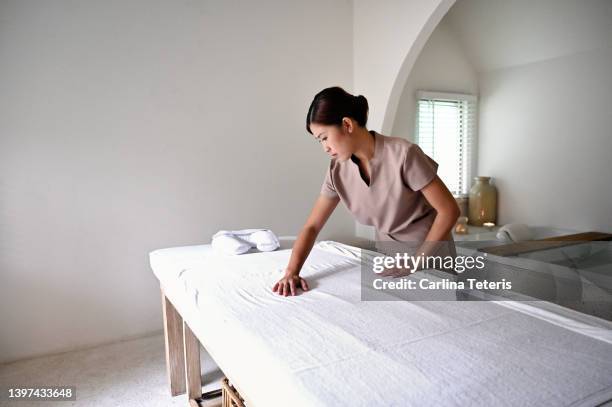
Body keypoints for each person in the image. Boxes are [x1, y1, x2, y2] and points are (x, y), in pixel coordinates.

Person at [272, 87, 460, 296]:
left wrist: (416, 263)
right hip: (389, 263)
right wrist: (291, 272)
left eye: (324, 137)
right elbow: (312, 226)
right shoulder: (337, 169)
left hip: (430, 261)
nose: (324, 147)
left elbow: (449, 211)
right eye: (319, 141)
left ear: (346, 124)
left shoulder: (404, 154)